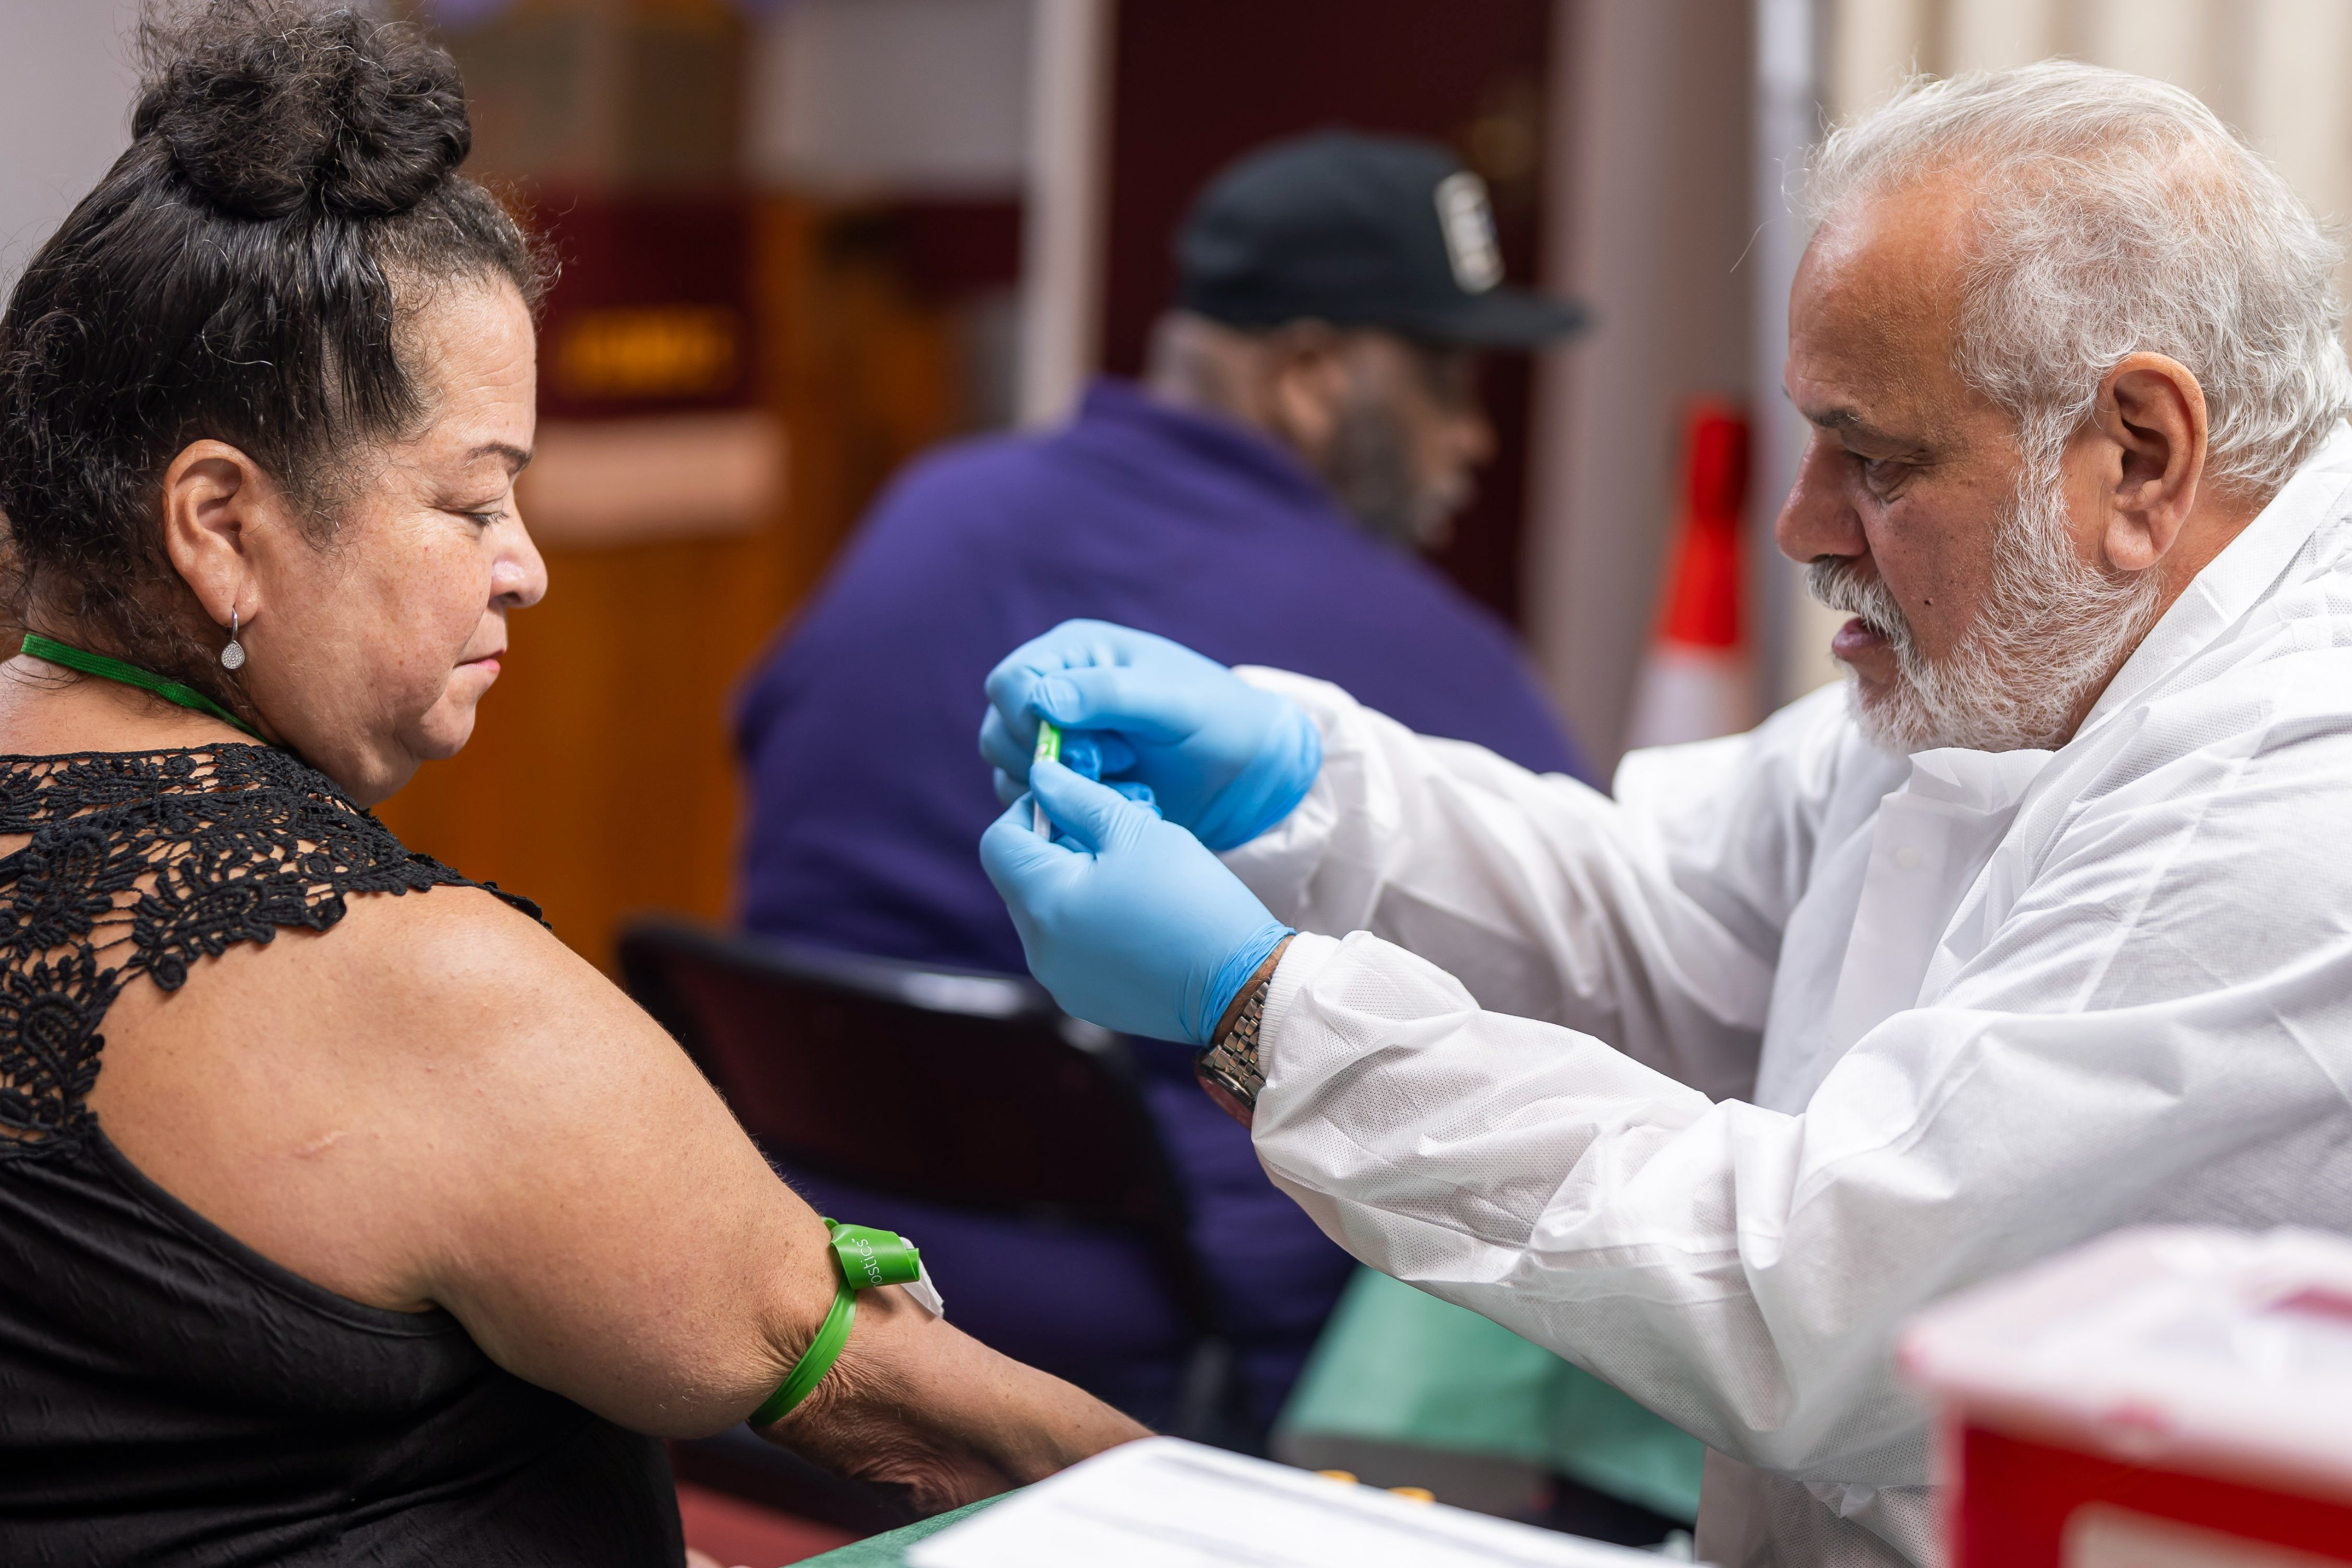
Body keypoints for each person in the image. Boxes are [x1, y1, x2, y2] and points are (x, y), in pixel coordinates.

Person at [976, 63, 2352, 1568]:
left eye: (1876, 462)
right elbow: (1664, 907)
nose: (1803, 525)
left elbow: (1819, 1291)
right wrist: (1307, 783)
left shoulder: (2290, 792)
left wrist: (1264, 1008)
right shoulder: (2056, 637)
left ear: (2140, 454)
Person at [0, 6, 1142, 1561]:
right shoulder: (417, 993)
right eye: (473, 502)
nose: (525, 569)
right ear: (220, 522)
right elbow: (925, 1417)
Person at [733, 132, 1587, 1437]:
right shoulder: (1415, 651)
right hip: (1160, 1363)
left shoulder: (927, 508)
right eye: (1446, 379)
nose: (1472, 436)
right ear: (1310, 377)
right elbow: (1582, 994)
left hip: (802, 1274)